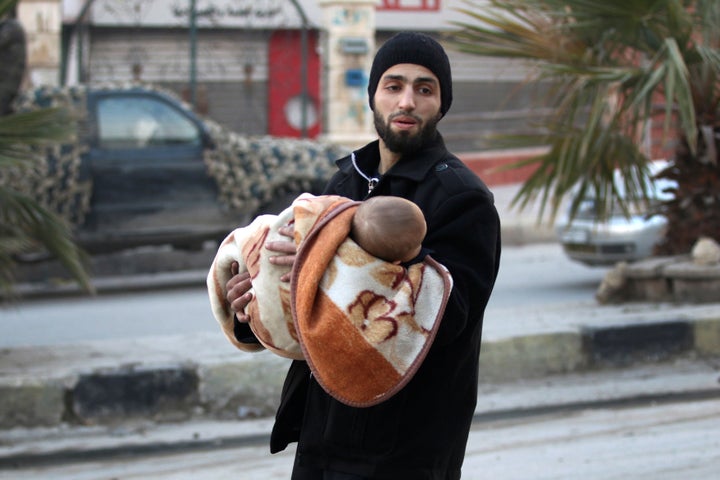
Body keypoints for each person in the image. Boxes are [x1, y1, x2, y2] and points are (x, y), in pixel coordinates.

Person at [223, 31, 501, 479]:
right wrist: (255, 305)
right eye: (393, 86)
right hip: (323, 432)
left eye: (424, 89)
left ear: (441, 104)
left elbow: (449, 318)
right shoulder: (344, 185)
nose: (406, 101)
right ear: (374, 96)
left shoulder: (461, 199)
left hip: (407, 447)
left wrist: (327, 270)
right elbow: (309, 311)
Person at [207, 193, 428, 359]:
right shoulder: (347, 174)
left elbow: (449, 310)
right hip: (310, 396)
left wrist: (324, 265)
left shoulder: (453, 191)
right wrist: (248, 308)